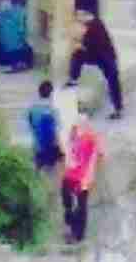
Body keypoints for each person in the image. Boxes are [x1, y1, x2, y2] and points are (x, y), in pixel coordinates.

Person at [61, 113, 101, 241]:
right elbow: (69, 153)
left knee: (80, 206)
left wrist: (86, 178)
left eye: (81, 124)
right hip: (71, 174)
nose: (79, 126)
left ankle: (78, 233)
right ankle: (72, 228)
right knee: (69, 203)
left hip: (81, 177)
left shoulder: (90, 139)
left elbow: (90, 161)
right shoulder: (75, 136)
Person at [27, 79, 62, 177]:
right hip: (50, 147)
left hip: (37, 146)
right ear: (51, 94)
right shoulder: (53, 110)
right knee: (51, 174)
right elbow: (56, 130)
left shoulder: (32, 109)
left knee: (36, 173)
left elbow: (30, 125)